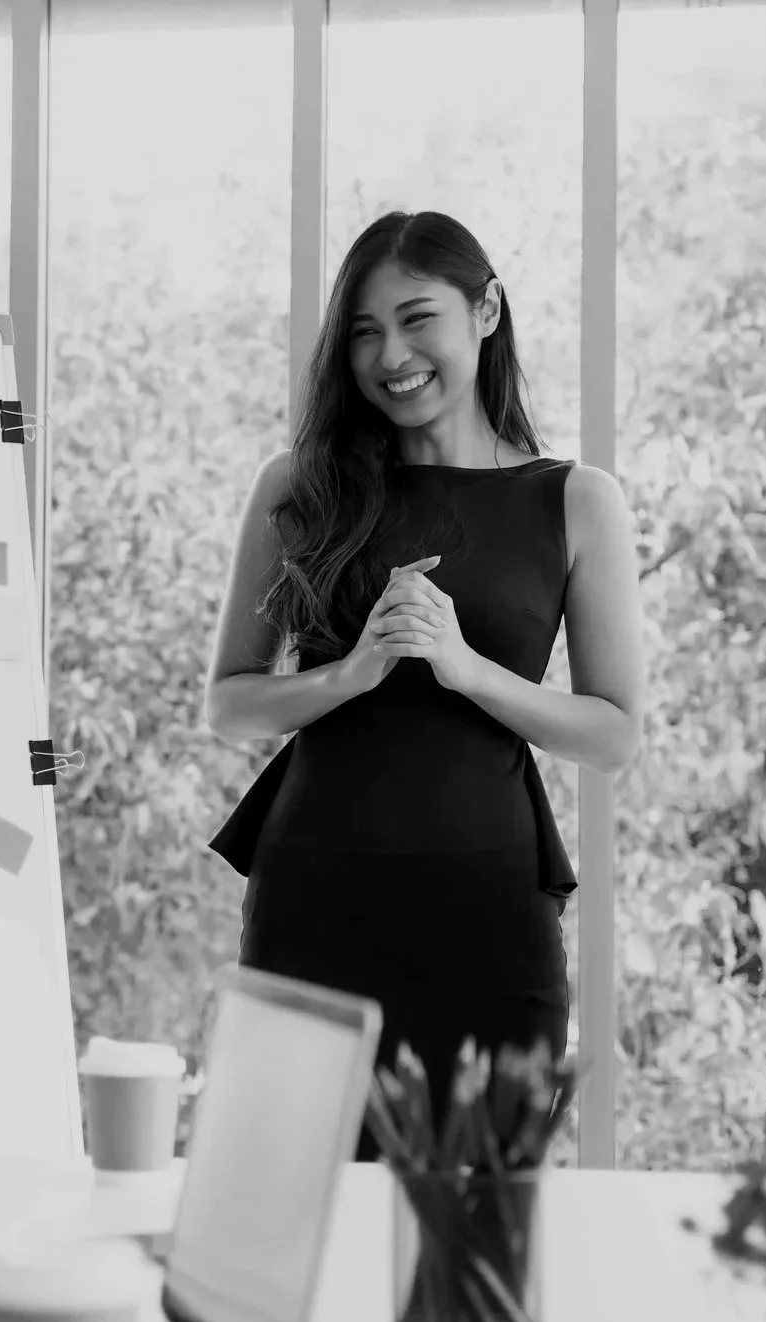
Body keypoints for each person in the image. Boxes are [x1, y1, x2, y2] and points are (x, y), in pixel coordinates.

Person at [202, 210, 644, 1130]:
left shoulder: (576, 501)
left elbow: (612, 733)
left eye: (415, 318)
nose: (390, 354)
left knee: (478, 1229)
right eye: (363, 331)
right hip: (312, 905)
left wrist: (467, 667)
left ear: (486, 311)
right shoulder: (298, 486)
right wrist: (351, 675)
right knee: (297, 1226)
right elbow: (231, 703)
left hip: (488, 917)